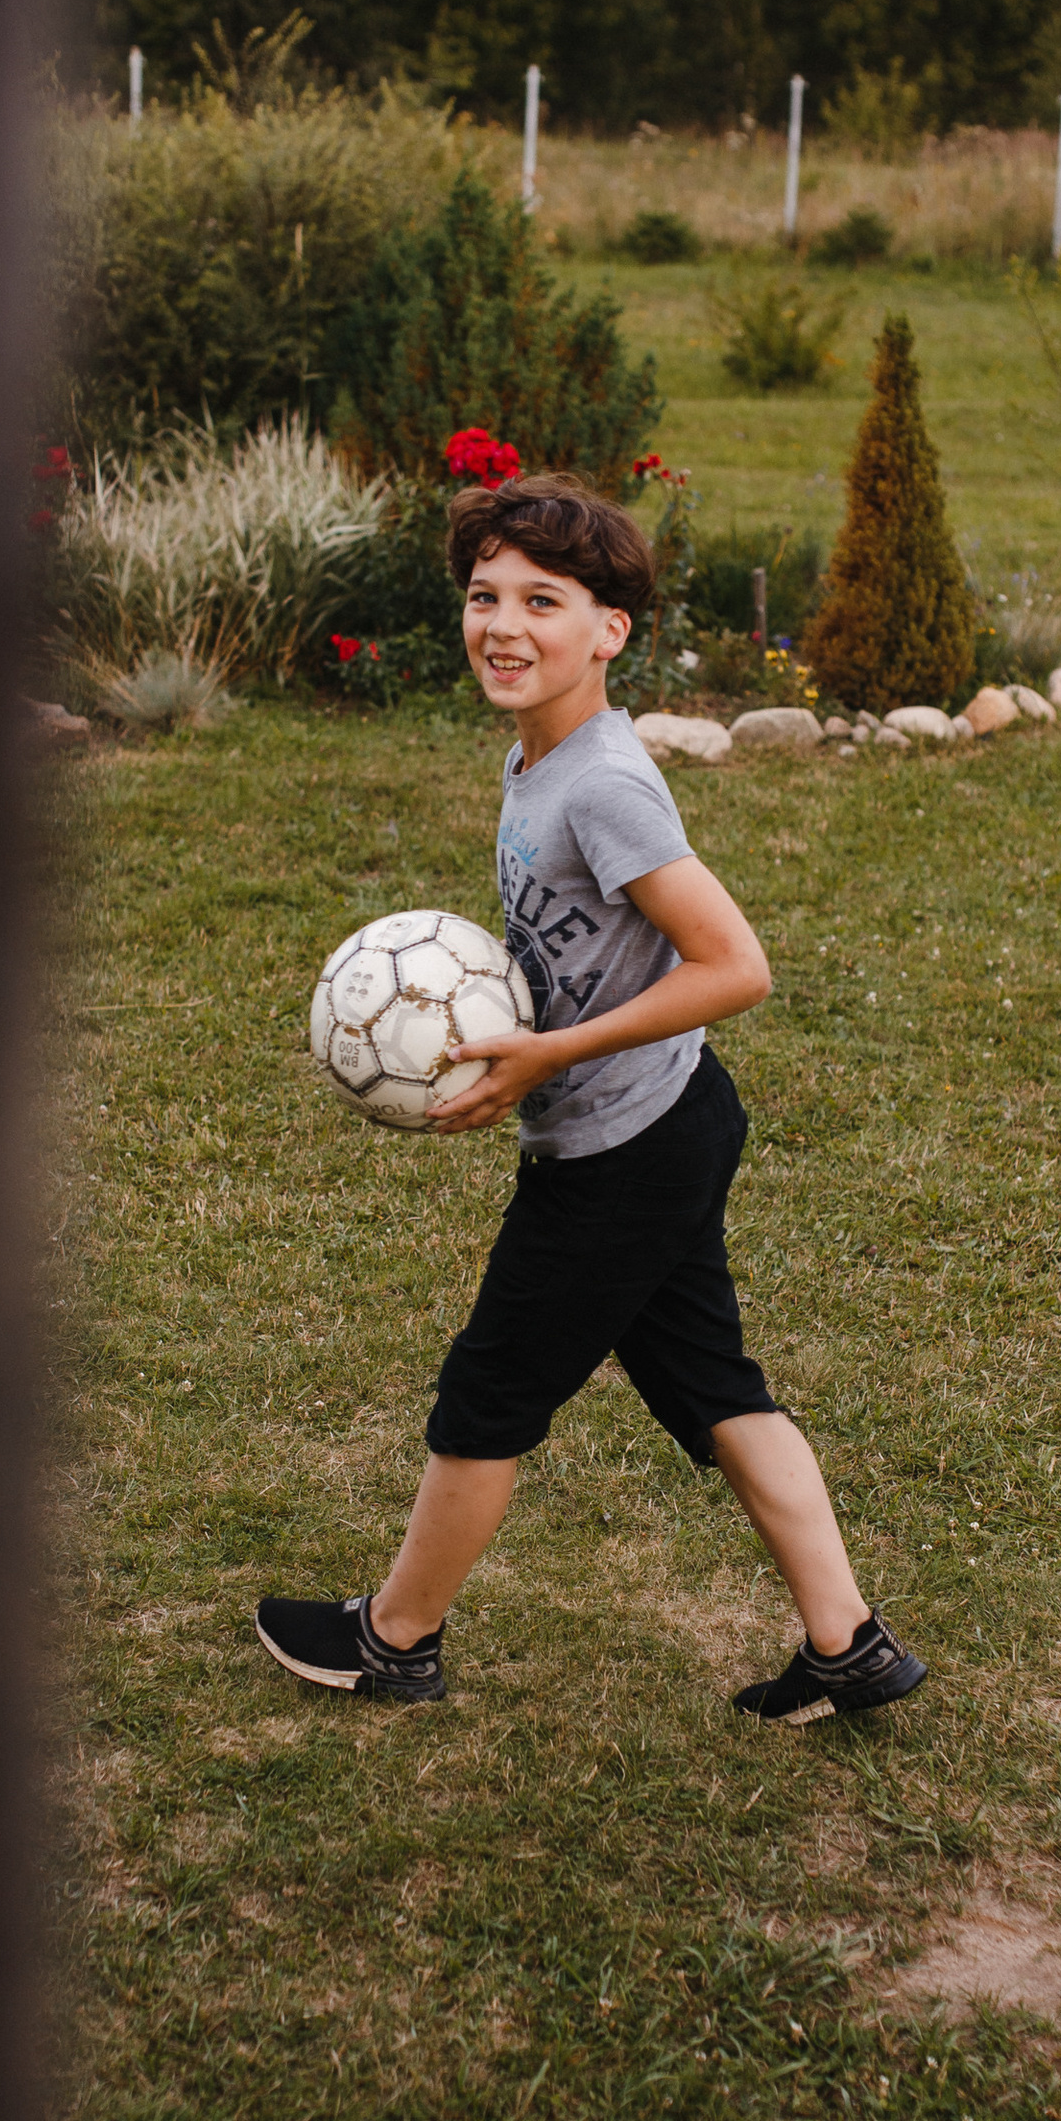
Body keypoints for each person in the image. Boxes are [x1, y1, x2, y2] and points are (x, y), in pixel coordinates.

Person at [256, 474, 926, 1727]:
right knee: (713, 1384)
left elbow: (737, 968)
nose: (503, 626)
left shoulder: (605, 784)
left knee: (491, 1391)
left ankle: (394, 1641)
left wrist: (545, 1057)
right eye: (483, 596)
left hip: (625, 1147)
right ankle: (851, 1649)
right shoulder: (541, 756)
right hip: (659, 1125)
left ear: (609, 631)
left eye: (542, 603)